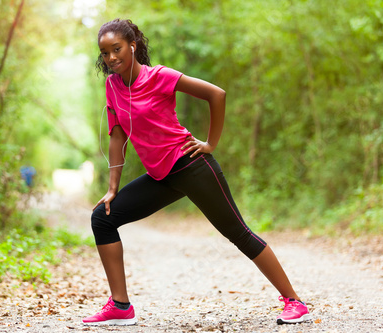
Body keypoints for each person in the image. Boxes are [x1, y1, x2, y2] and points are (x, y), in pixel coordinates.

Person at [83, 18, 312, 326]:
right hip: (161, 176)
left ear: (132, 46)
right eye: (105, 53)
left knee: (238, 233)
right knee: (103, 218)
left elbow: (216, 94)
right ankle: (120, 306)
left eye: (117, 49)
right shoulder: (113, 86)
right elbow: (117, 136)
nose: (111, 58)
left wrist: (209, 143)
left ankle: (294, 302)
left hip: (191, 165)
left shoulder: (159, 76)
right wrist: (112, 188)